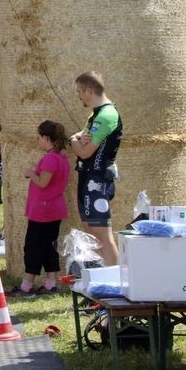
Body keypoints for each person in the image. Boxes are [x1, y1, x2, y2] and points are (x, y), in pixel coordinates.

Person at [13, 120, 71, 296]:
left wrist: (31, 173)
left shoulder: (50, 158)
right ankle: (50, 283)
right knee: (48, 247)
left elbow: (43, 182)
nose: (38, 140)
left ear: (46, 138)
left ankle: (26, 285)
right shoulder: (61, 158)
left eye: (39, 137)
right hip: (53, 209)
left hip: (43, 210)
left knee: (33, 247)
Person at [72, 71, 122, 266]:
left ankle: (115, 278)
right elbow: (81, 138)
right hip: (87, 177)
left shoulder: (106, 115)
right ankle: (103, 275)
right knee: (91, 233)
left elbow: (85, 151)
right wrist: (77, 139)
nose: (78, 96)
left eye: (79, 92)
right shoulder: (95, 115)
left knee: (102, 235)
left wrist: (73, 140)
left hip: (97, 179)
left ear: (88, 91)